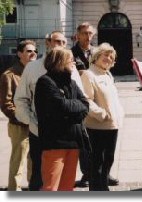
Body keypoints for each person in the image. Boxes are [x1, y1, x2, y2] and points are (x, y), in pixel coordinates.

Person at [14, 31, 83, 191]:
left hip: (68, 135)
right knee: (41, 179)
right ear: (48, 43)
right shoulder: (33, 67)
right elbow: (21, 99)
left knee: (66, 181)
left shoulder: (71, 69)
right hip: (40, 133)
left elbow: (82, 98)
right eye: (56, 41)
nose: (59, 45)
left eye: (63, 43)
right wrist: (32, 122)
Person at [34, 48, 89, 191]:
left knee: (67, 187)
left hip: (73, 141)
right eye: (70, 59)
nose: (74, 62)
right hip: (54, 143)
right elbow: (59, 106)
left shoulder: (72, 82)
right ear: (59, 61)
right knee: (50, 187)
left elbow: (85, 106)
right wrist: (74, 107)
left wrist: (71, 108)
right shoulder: (45, 82)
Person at [81, 42, 124, 191]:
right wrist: (102, 114)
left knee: (108, 160)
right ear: (96, 56)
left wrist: (119, 114)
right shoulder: (89, 74)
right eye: (106, 55)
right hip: (97, 126)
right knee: (97, 163)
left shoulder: (107, 74)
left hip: (112, 125)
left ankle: (103, 188)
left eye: (111, 56)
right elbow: (86, 100)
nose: (109, 58)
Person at [0, 40, 37, 191]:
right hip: (19, 125)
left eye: (34, 51)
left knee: (33, 160)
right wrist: (22, 118)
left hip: (35, 123)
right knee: (18, 160)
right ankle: (13, 190)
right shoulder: (9, 75)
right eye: (29, 51)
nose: (33, 53)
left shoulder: (37, 73)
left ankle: (33, 187)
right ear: (19, 54)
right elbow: (6, 103)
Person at [72, 22, 97, 188]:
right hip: (80, 100)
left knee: (100, 138)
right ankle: (87, 174)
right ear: (78, 35)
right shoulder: (71, 53)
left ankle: (102, 172)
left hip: (97, 100)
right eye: (85, 33)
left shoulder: (97, 52)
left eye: (90, 33)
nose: (88, 37)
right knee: (84, 140)